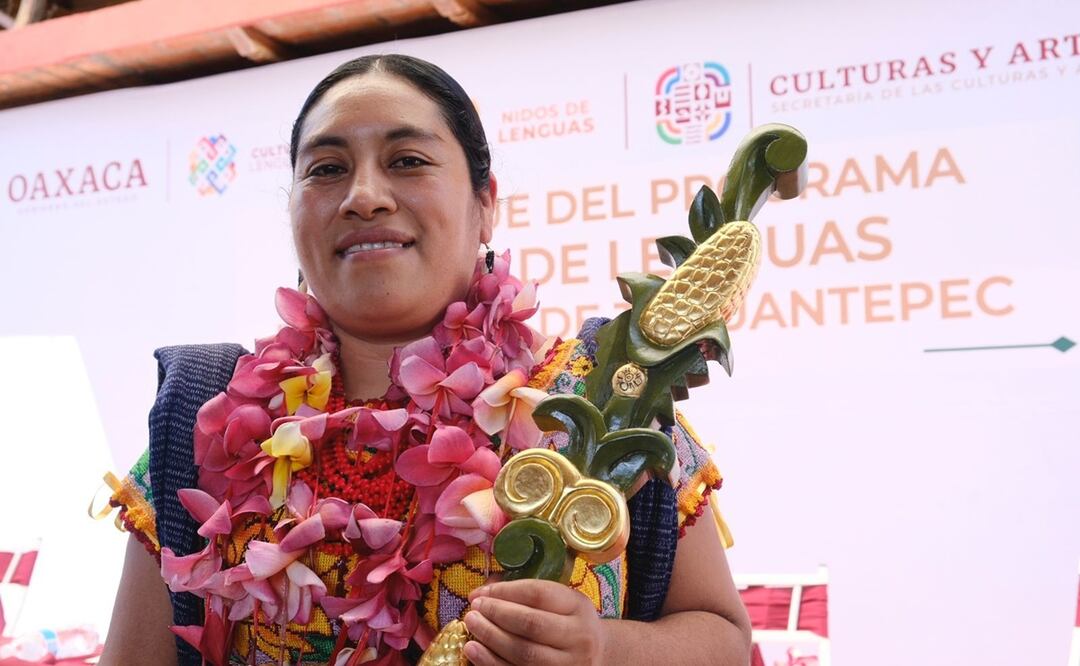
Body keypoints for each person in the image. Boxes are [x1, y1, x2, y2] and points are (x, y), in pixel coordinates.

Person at [100, 54, 751, 666]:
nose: (364, 195)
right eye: (326, 169)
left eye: (407, 160)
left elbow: (722, 635)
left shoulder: (604, 399)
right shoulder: (206, 425)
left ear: (485, 203)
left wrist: (604, 650)